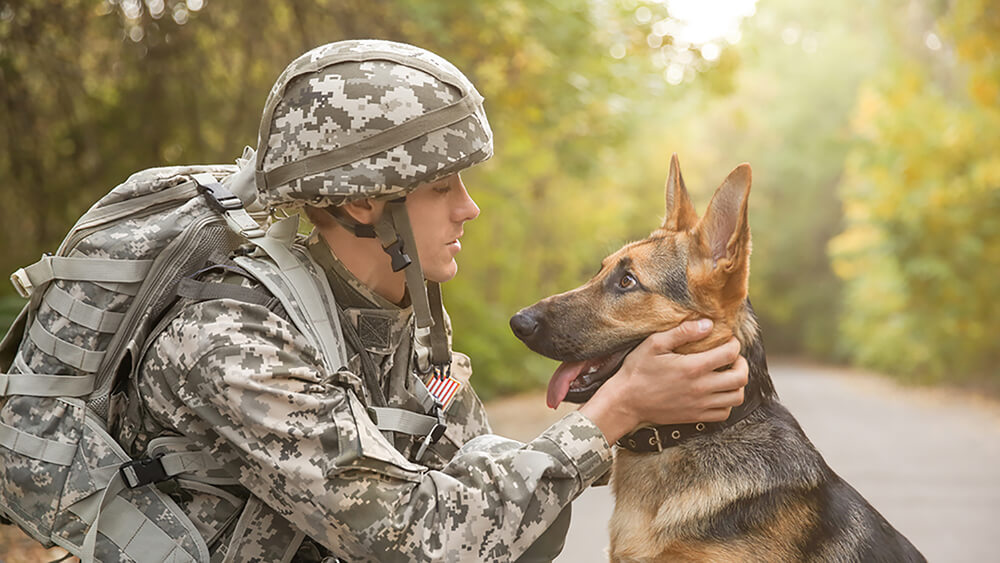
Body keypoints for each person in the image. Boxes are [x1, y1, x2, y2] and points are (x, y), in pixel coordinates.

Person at [121, 39, 749, 562]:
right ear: (366, 204)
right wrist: (619, 407)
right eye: (442, 186)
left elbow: (490, 495)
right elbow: (422, 541)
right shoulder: (233, 339)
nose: (468, 207)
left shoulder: (400, 323)